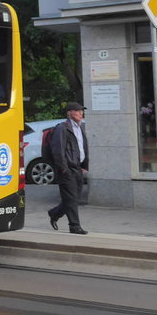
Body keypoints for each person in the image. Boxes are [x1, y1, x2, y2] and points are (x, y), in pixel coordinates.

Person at [47, 101, 89, 235]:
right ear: (70, 113)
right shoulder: (62, 128)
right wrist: (63, 168)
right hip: (67, 169)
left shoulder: (80, 127)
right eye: (78, 111)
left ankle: (54, 213)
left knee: (73, 198)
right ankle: (74, 226)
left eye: (82, 111)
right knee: (71, 198)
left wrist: (84, 165)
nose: (81, 114)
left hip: (77, 167)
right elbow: (58, 150)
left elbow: (82, 147)